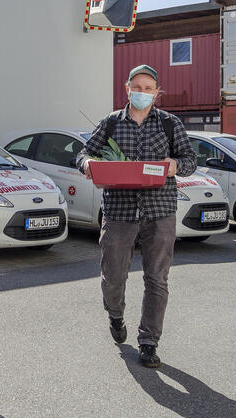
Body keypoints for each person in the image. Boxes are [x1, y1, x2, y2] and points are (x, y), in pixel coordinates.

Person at [75, 64, 196, 368]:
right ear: (127, 89)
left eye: (148, 88)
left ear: (157, 92)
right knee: (113, 276)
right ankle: (115, 315)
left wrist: (175, 166)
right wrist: (88, 165)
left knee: (157, 279)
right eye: (137, 87)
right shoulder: (111, 123)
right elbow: (83, 153)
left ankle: (149, 342)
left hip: (160, 211)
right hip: (119, 211)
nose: (143, 93)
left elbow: (191, 160)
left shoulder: (170, 124)